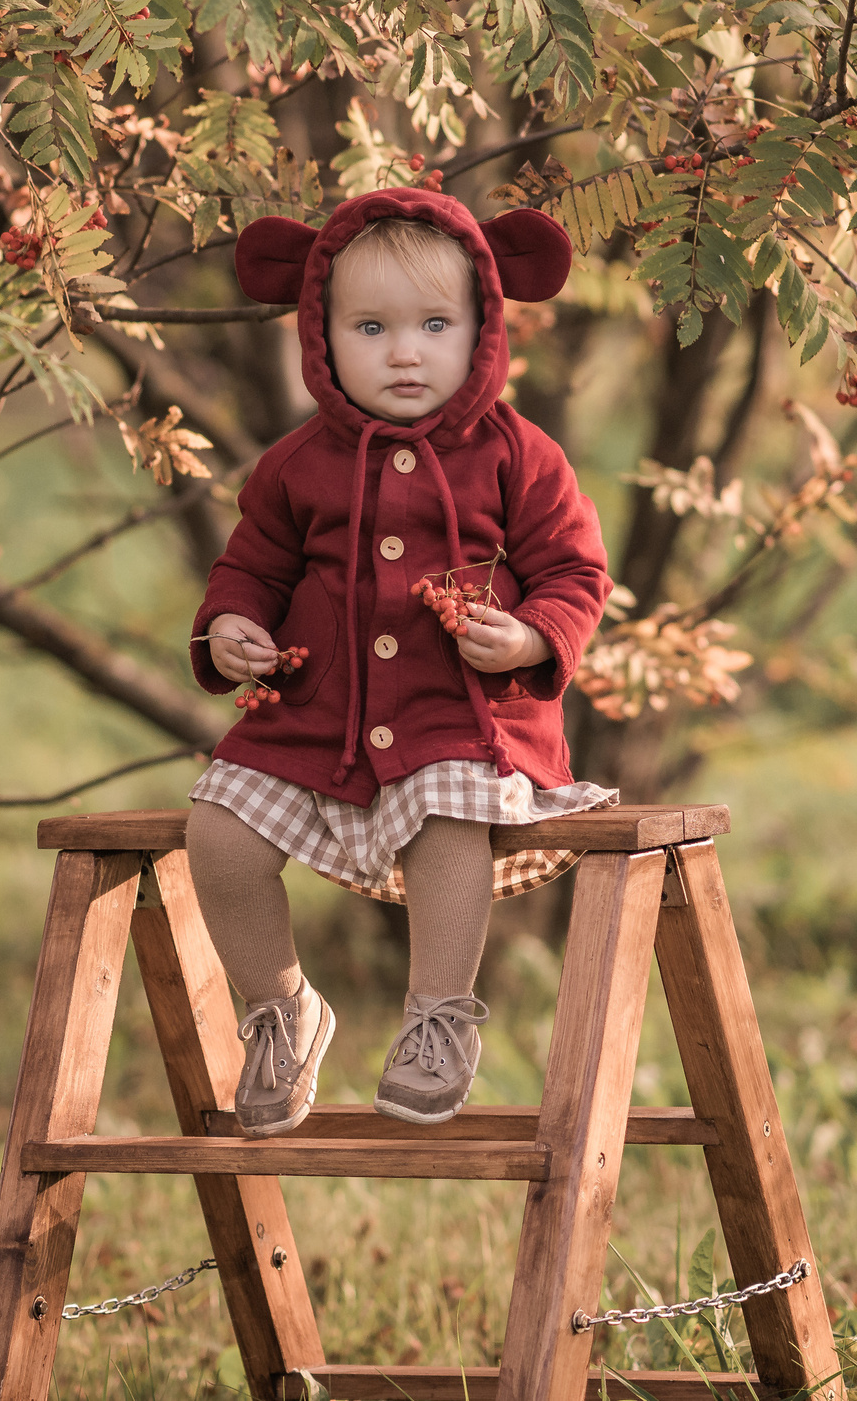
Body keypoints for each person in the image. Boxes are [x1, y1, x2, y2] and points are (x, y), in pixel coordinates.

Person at [186, 188, 616, 1136]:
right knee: (217, 830)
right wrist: (230, 631)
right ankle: (281, 1007)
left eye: (434, 324)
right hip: (316, 722)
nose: (405, 351)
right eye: (371, 326)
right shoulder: (295, 465)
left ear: (482, 329)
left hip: (463, 716)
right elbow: (249, 567)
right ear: (323, 336)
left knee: (449, 805)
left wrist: (534, 633)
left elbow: (577, 568)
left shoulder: (518, 455)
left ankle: (438, 1015)